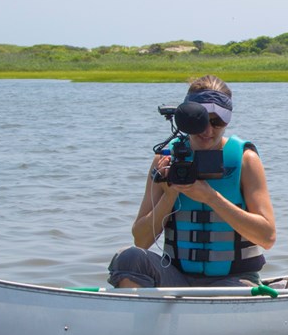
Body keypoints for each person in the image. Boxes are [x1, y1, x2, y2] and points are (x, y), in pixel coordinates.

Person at [108, 75, 275, 288]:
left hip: (233, 280)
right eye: (201, 122)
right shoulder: (166, 159)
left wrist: (210, 197)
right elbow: (141, 240)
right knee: (129, 258)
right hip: (176, 277)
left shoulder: (245, 160)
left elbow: (267, 238)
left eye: (217, 122)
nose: (208, 131)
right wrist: (169, 196)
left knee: (228, 291)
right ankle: (143, 315)